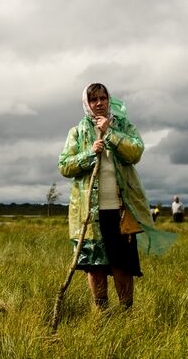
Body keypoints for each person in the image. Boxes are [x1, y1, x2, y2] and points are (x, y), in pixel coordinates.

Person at [58, 83, 162, 310]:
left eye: (103, 98)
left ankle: (126, 312)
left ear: (108, 100)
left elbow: (136, 152)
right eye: (93, 99)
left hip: (121, 210)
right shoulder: (77, 132)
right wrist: (88, 154)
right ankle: (101, 314)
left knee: (121, 265)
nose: (99, 103)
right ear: (87, 103)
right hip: (88, 214)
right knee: (95, 265)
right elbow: (64, 166)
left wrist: (110, 134)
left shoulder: (123, 126)